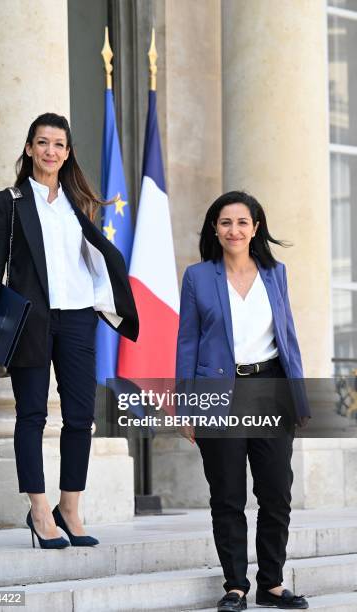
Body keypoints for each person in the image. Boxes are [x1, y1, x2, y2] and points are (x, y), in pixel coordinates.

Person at [0, 112, 138, 549]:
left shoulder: (77, 202)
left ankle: (70, 507)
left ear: (68, 153)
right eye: (42, 143)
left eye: (59, 144)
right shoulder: (6, 201)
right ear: (29, 149)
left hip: (79, 318)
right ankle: (40, 510)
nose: (50, 151)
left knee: (81, 417)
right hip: (30, 320)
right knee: (32, 415)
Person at [176, 191, 310, 611]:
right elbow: (187, 343)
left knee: (276, 493)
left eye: (242, 222)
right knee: (228, 495)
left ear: (256, 228)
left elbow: (287, 338)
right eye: (225, 222)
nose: (234, 230)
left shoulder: (276, 273)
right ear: (214, 229)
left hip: (270, 389)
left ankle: (271, 583)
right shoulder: (199, 277)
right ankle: (235, 586)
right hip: (219, 394)